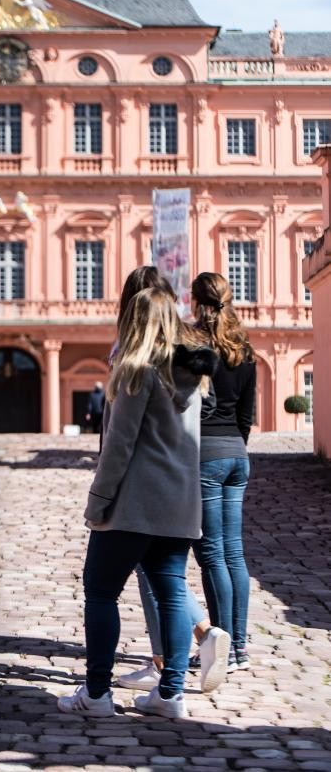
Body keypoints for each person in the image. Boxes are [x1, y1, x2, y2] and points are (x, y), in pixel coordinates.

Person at [58, 287, 217, 719]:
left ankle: (96, 694)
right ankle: (170, 695)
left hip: (134, 505)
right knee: (170, 594)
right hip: (179, 504)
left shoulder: (135, 370)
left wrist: (98, 501)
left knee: (101, 591)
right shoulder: (192, 377)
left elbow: (119, 446)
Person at [109, 267, 230, 695]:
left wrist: (102, 495)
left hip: (139, 486)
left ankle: (169, 657)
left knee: (121, 582)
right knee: (169, 576)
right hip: (184, 483)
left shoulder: (134, 351)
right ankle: (179, 668)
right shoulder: (188, 352)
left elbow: (121, 432)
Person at [190, 272, 256, 671]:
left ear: (196, 302)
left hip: (207, 457)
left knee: (212, 555)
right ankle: (241, 647)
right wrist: (235, 446)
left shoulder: (197, 346)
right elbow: (246, 415)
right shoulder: (244, 349)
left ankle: (225, 649)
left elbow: (199, 407)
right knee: (234, 553)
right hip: (237, 455)